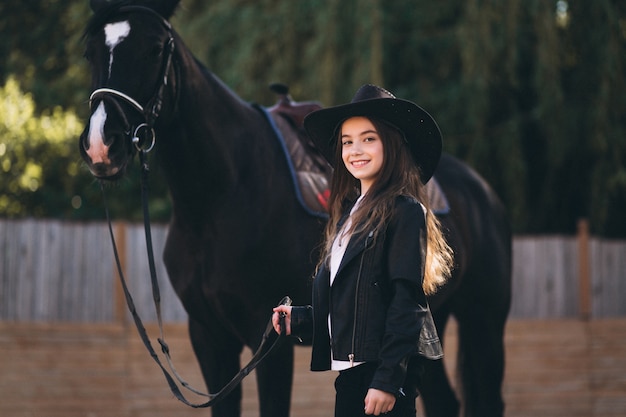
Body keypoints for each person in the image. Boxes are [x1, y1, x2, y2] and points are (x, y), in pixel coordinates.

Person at [272, 84, 454, 416]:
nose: (356, 149)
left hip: (382, 379)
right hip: (352, 379)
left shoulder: (406, 211)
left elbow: (406, 304)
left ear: (392, 144)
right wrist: (299, 319)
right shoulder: (348, 216)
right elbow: (357, 308)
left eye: (369, 138)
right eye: (347, 141)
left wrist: (387, 381)